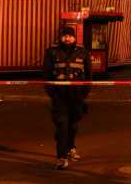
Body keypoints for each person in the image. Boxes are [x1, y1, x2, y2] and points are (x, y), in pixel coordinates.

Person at [43, 26, 92, 170]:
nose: (67, 38)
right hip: (59, 96)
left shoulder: (83, 52)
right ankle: (61, 157)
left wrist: (84, 93)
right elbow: (46, 75)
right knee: (62, 125)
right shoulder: (51, 52)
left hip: (77, 96)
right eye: (65, 36)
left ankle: (71, 147)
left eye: (70, 36)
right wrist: (52, 93)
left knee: (73, 124)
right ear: (61, 37)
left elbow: (89, 76)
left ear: (75, 38)